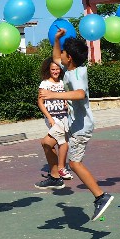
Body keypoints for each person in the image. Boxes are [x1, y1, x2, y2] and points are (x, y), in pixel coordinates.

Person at [38, 29, 115, 221]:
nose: (60, 55)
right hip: (72, 124)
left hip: (82, 128)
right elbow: (56, 56)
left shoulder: (78, 74)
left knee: (74, 163)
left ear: (70, 57)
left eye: (64, 52)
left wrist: (53, 95)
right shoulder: (69, 70)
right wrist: (57, 40)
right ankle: (55, 177)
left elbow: (80, 94)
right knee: (47, 142)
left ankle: (101, 196)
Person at [35, 56, 73, 189]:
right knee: (50, 142)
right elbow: (40, 102)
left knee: (62, 142)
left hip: (64, 117)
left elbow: (68, 97)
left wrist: (67, 103)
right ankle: (57, 172)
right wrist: (49, 118)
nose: (55, 71)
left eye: (57, 69)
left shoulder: (63, 83)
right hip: (53, 119)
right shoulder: (45, 84)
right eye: (53, 69)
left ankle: (59, 170)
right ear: (48, 70)